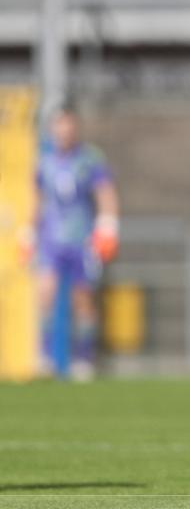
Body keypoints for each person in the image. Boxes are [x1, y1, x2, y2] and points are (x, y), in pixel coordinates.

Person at [29, 102, 120, 381]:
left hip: (81, 240)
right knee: (45, 292)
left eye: (68, 124)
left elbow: (105, 193)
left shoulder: (89, 159)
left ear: (75, 126)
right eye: (59, 124)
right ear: (52, 128)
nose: (64, 130)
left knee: (82, 298)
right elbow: (36, 197)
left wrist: (108, 227)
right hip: (51, 239)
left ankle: (83, 358)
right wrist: (29, 231)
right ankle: (44, 358)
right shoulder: (44, 159)